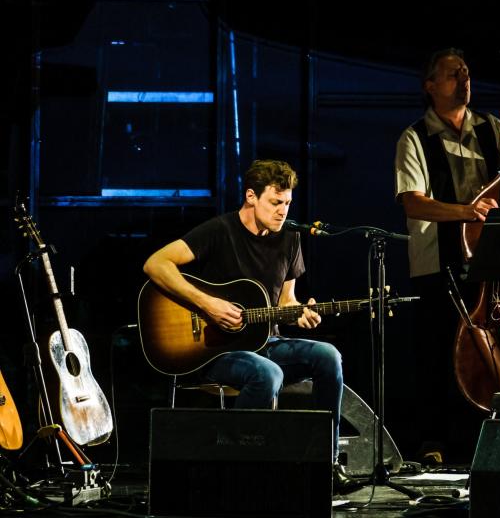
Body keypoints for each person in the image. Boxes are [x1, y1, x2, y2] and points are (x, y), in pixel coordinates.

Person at [143, 159, 362, 495]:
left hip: (266, 342)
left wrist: (298, 312)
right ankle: (238, 468)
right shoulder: (219, 231)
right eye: (275, 203)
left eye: (287, 203)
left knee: (328, 356)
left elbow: (285, 302)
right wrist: (208, 304)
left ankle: (326, 464)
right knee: (267, 373)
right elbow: (155, 263)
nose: (283, 212)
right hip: (213, 351)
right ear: (251, 196)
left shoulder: (289, 239)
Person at [393, 47, 500, 464]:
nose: (464, 79)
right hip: (437, 264)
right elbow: (413, 203)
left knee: (497, 351)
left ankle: (492, 439)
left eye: (466, 72)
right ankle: (434, 442)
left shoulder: (492, 128)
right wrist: (466, 212)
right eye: (452, 74)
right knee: (438, 354)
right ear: (430, 86)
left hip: (491, 262)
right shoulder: (414, 137)